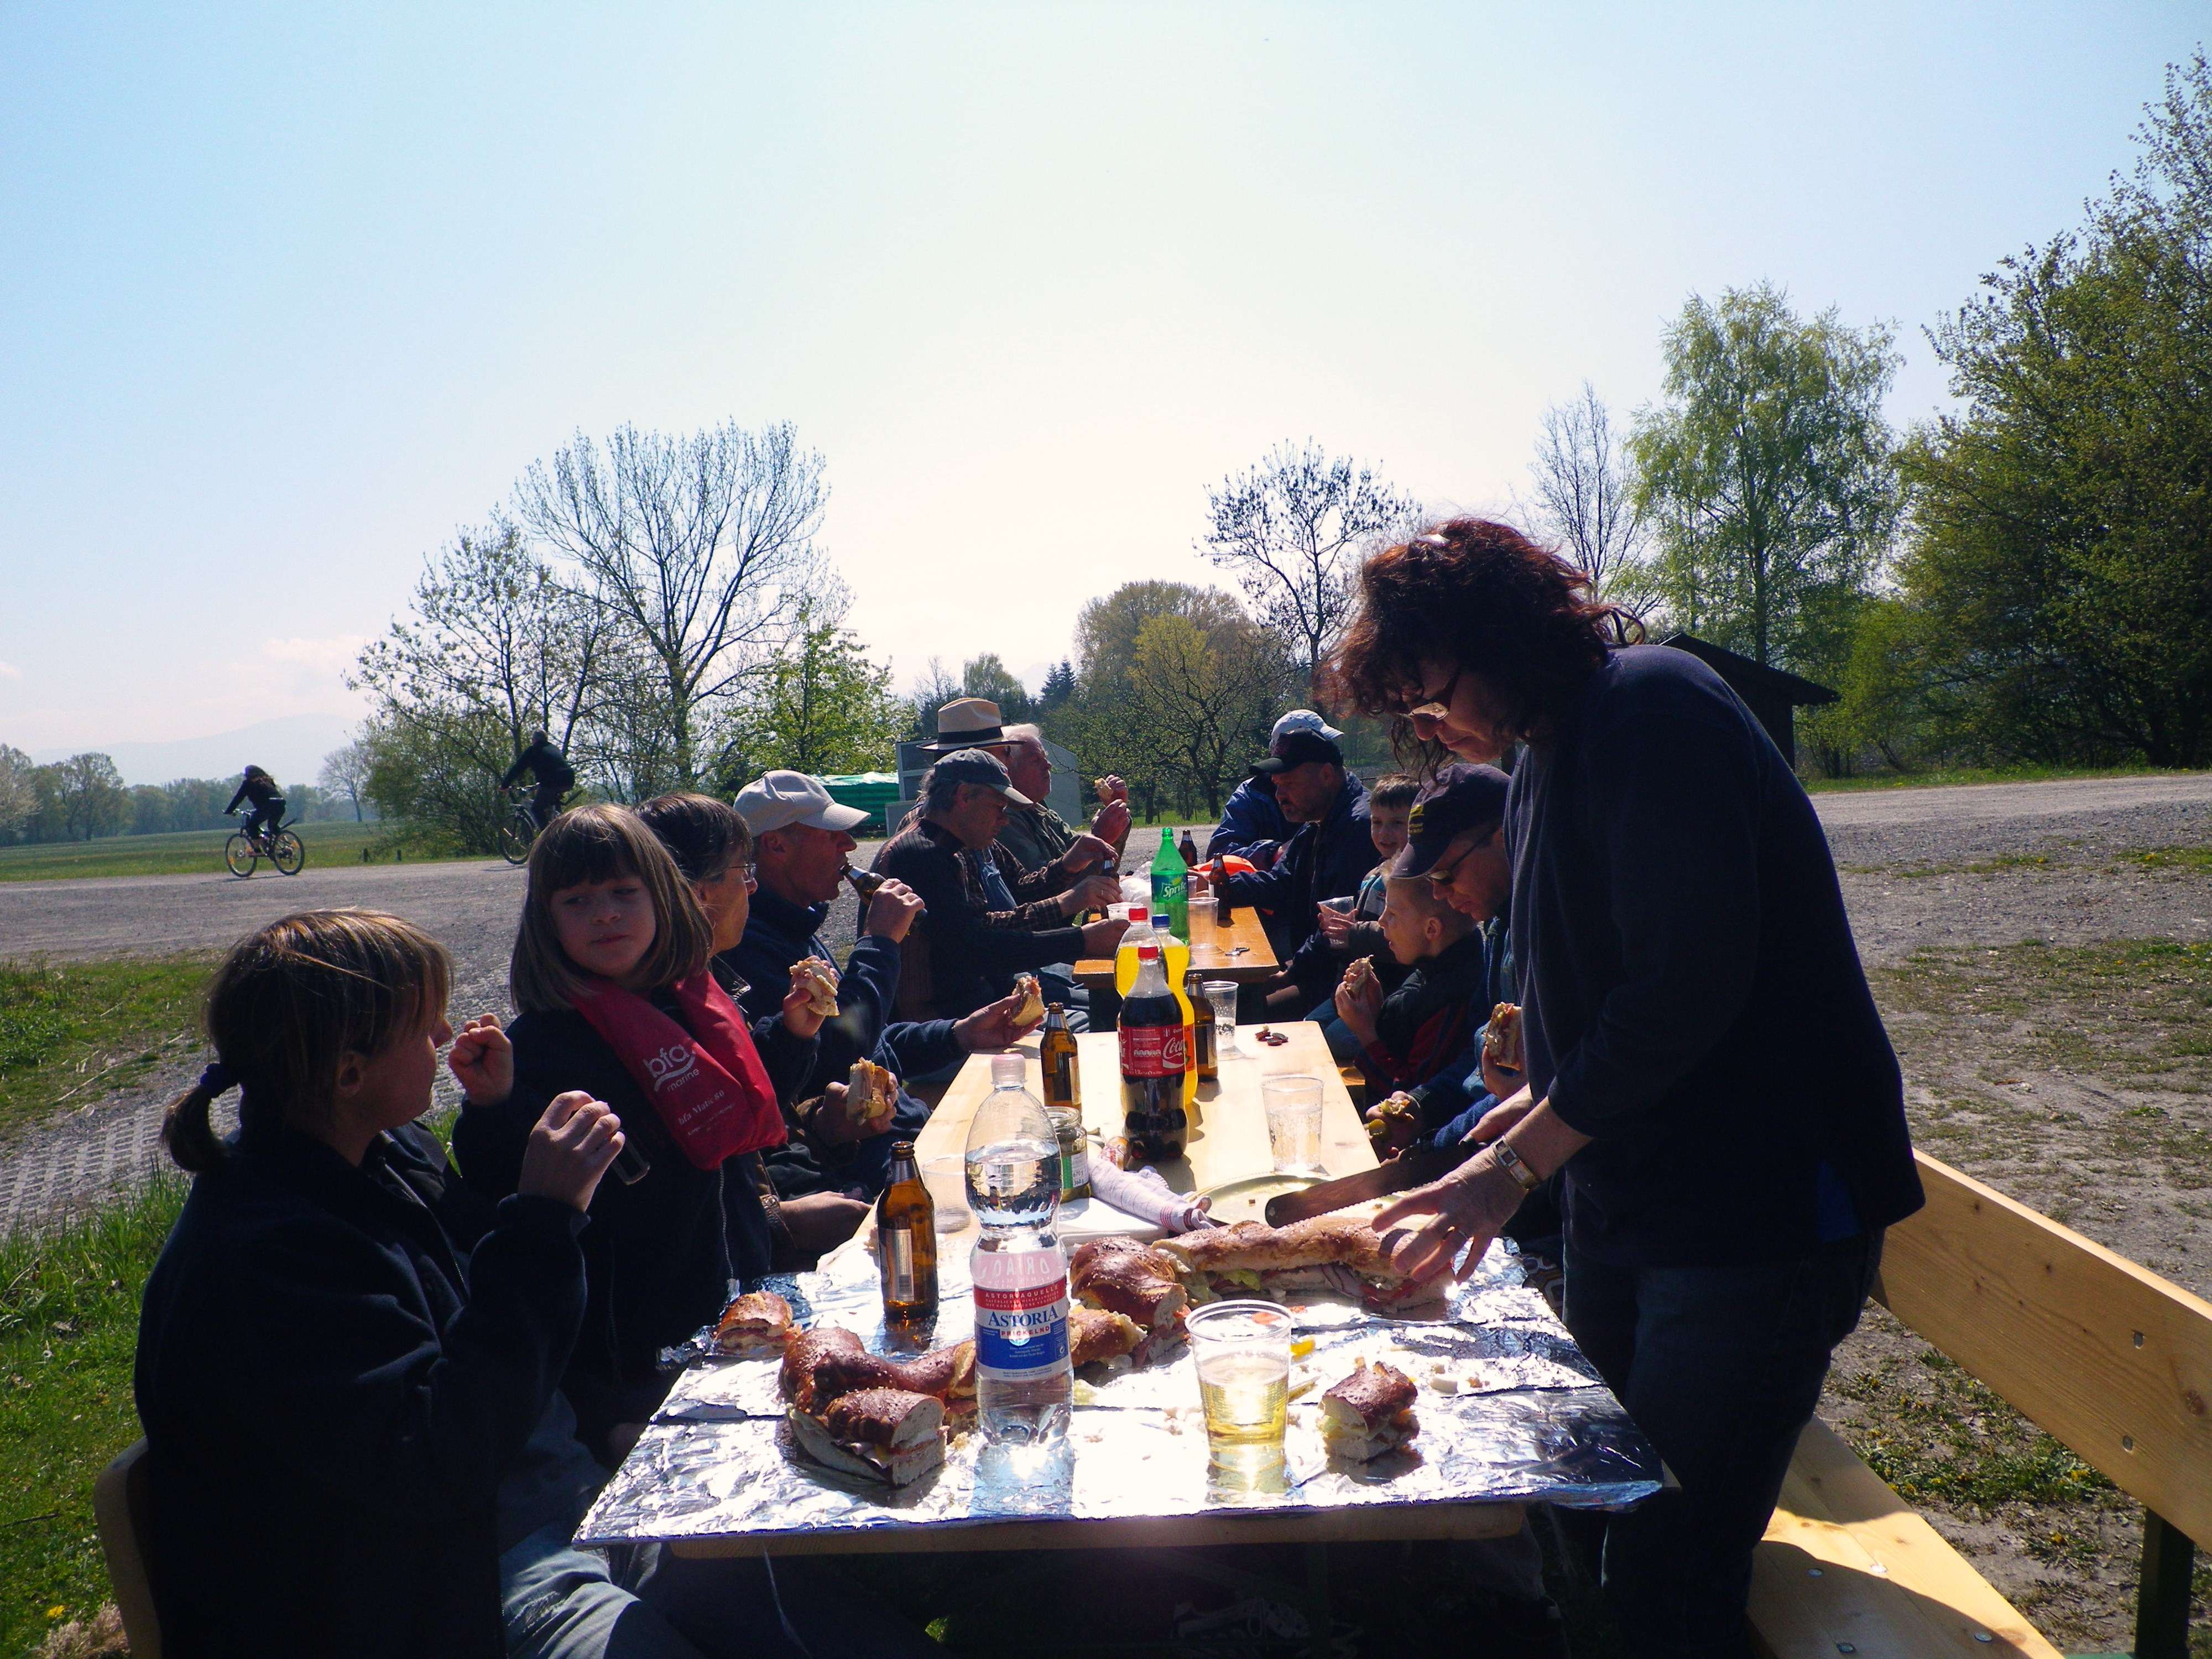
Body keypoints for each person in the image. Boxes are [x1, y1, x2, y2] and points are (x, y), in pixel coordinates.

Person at [1325, 517, 1923, 1658]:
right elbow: (1585, 1028)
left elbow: (1681, 994)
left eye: (1434, 697)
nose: (1432, 730)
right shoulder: (1542, 761)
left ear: (1503, 638)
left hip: (1752, 1217)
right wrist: (1487, 1141)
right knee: (1578, 1501)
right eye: (1411, 715)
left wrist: (1505, 1173)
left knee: (1666, 1570)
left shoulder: (1652, 708)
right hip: (1635, 1202)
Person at [135, 910, 756, 1657]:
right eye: (422, 1022)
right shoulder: (267, 1256)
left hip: (568, 1503)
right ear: (349, 1073)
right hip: (464, 1586)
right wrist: (545, 1221)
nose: (443, 1034)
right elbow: (440, 1462)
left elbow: (493, 1319)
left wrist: (604, 1425)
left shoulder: (381, 1151)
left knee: (798, 1593)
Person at [452, 806, 817, 1465]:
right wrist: (493, 1104)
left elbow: (740, 1121)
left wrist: (792, 1037)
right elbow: (500, 1181)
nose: (605, 915)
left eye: (624, 892)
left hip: (726, 1280)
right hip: (629, 1338)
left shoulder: (694, 1002)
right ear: (546, 920)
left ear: (664, 899)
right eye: (577, 901)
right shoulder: (540, 1042)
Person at [719, 772, 1041, 1183]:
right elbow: (841, 1051)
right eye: (832, 835)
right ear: (776, 845)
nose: (850, 845)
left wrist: (960, 1033)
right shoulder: (749, 947)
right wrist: (880, 942)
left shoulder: (795, 926)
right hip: (870, 1158)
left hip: (905, 1130)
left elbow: (875, 1044)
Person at [635, 790, 908, 1263]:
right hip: (758, 1249)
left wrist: (824, 1124)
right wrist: (880, 943)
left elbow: (756, 1116)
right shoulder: (680, 998)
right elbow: (671, 1196)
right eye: (743, 872)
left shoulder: (716, 979)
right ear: (696, 892)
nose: (752, 886)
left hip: (813, 1175)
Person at [874, 749, 1129, 1021]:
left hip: (983, 999)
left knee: (1111, 1003)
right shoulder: (922, 855)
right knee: (1102, 1018)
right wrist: (1081, 939)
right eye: (999, 807)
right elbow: (979, 947)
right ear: (964, 797)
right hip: (942, 1022)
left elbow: (1020, 890)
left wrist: (1068, 865)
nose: (1005, 819)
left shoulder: (964, 840)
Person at [1279, 771, 1419, 1050]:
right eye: (1376, 823)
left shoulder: (1416, 878)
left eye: (1396, 824)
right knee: (1310, 1027)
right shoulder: (1374, 873)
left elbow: (1409, 937)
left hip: (1392, 990)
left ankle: (1385, 1058)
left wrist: (1354, 933)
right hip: (1359, 985)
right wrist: (1342, 927)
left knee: (1336, 1039)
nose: (1384, 834)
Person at [1212, 726, 1371, 962]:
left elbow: (1335, 922)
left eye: (1288, 783)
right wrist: (1220, 889)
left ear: (1327, 775)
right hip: (1316, 965)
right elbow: (1281, 882)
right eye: (1276, 784)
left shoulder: (1360, 825)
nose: (1279, 795)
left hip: (1349, 973)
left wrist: (1291, 972)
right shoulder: (1319, 820)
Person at [1333, 872, 1487, 1092]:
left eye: (1392, 913)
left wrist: (1365, 1033)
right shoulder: (1433, 968)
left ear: (1431, 929)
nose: (1381, 921)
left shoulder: (1454, 997)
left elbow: (1407, 1093)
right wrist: (1376, 1010)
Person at [1208, 709, 1342, 868]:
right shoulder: (1251, 795)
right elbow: (1220, 855)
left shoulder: (1342, 793)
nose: (1328, 754)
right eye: (1317, 749)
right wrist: (1275, 854)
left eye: (1327, 744)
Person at [503, 728, 577, 831]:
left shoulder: (533, 750)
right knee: (548, 804)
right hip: (569, 779)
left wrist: (505, 785)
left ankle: (547, 836)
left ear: (534, 740)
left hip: (552, 782)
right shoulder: (553, 748)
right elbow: (552, 766)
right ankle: (558, 826)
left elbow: (517, 768)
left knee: (536, 809)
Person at [223, 764, 284, 843]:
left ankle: (257, 849)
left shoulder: (248, 784)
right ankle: (288, 846)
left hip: (268, 806)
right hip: (281, 803)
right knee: (273, 826)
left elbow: (238, 798)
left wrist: (229, 811)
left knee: (251, 826)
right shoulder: (268, 780)